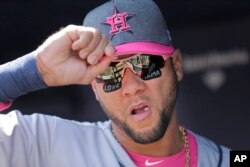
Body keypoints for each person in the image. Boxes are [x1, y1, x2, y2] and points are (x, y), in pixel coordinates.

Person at [0, 0, 229, 166]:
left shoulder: (227, 160)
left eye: (145, 63)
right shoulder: (47, 143)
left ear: (176, 65)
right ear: (95, 87)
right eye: (110, 73)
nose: (131, 87)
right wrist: (32, 72)